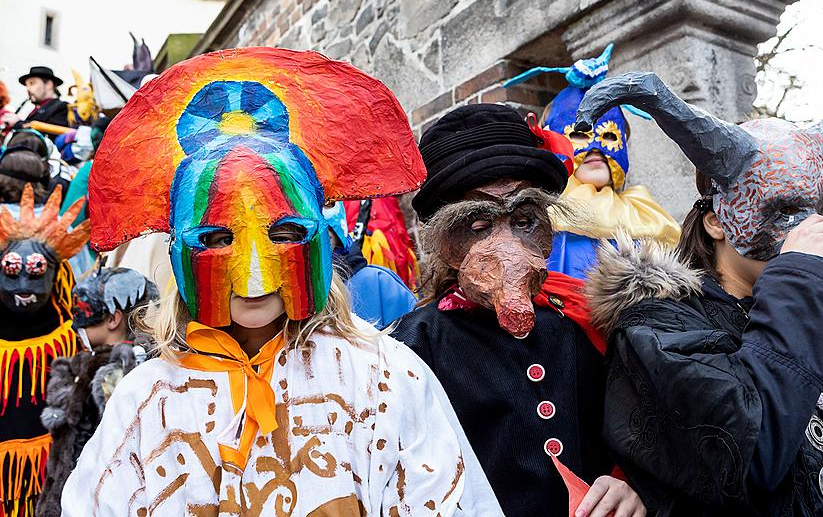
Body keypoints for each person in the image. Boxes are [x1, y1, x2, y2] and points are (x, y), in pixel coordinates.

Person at [62, 48, 502, 516]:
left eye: (285, 234)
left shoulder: (382, 376)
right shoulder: (147, 401)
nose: (253, 275)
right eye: (215, 239)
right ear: (178, 252)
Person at [578, 71, 823, 515]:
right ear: (716, 221)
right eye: (784, 208)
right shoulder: (661, 326)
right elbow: (751, 455)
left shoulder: (822, 329)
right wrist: (800, 278)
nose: (806, 228)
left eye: (817, 209)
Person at [391, 103, 645, 517]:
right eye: (479, 225)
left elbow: (645, 425)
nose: (507, 248)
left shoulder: (590, 317)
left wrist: (632, 483)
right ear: (445, 241)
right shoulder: (413, 348)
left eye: (524, 220)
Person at [505, 43, 680, 280]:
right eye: (579, 135)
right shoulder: (541, 212)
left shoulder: (645, 213)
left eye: (609, 136)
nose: (596, 148)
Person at [36, 268, 159, 517]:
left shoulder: (131, 370)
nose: (74, 326)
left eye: (84, 311)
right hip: (70, 494)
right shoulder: (83, 364)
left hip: (101, 498)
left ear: (113, 319)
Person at [0, 185, 89, 516]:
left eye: (36, 271)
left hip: (51, 478)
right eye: (10, 271)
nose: (23, 287)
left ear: (56, 274)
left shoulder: (72, 336)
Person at [18, 67, 69, 131]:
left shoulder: (63, 107)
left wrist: (17, 123)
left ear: (49, 84)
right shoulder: (37, 109)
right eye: (27, 85)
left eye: (32, 83)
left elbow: (52, 132)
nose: (28, 89)